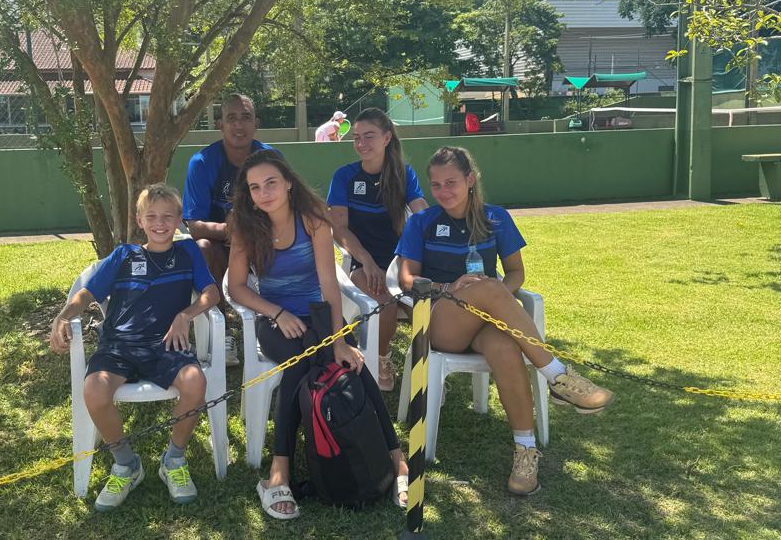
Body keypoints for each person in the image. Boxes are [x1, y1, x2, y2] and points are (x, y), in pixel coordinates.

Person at [397, 146, 615, 497]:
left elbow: (515, 274)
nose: (442, 191)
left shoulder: (496, 218)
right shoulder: (422, 222)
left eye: (451, 182)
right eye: (435, 185)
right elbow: (407, 278)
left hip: (485, 322)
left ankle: (525, 451)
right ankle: (557, 376)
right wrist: (451, 287)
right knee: (487, 287)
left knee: (504, 346)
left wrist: (496, 295)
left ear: (470, 180)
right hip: (441, 321)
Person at [227, 152, 410, 519]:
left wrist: (339, 339)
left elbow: (329, 283)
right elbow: (237, 287)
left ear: (288, 183)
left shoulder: (313, 220)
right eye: (255, 187)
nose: (264, 193)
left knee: (353, 362)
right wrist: (277, 313)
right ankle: (280, 470)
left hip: (319, 316)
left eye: (271, 183)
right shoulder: (246, 228)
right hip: (275, 320)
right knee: (299, 362)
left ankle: (396, 459)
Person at [49, 184, 219, 511]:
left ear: (179, 220)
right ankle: (127, 464)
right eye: (151, 216)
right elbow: (87, 293)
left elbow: (211, 293)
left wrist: (185, 315)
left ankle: (174, 460)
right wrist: (64, 315)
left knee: (195, 383)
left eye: (167, 217)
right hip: (119, 345)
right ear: (139, 220)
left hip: (166, 343)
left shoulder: (188, 252)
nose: (160, 223)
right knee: (94, 391)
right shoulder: (124, 255)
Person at [327, 108, 427, 391]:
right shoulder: (345, 176)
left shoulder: (404, 174)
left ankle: (427, 369)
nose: (361, 143)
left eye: (369, 136)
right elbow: (339, 229)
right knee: (386, 302)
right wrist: (368, 261)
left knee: (432, 302)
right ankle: (380, 357)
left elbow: (422, 216)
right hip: (362, 263)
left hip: (401, 265)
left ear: (386, 138)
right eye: (356, 137)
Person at [182, 92, 275, 365]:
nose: (239, 125)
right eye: (231, 118)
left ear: (256, 123)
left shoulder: (271, 158)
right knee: (202, 248)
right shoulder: (202, 162)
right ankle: (221, 331)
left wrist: (252, 234)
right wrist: (233, 231)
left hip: (262, 240)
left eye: (246, 117)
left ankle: (268, 325)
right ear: (220, 124)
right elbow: (195, 226)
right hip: (220, 242)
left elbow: (286, 211)